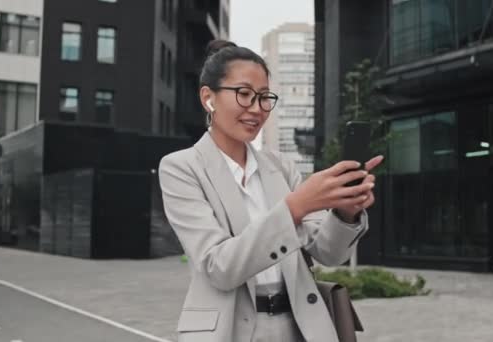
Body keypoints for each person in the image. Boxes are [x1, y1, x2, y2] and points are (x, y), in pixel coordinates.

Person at [159, 40, 383, 342]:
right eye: (244, 95)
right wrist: (295, 207)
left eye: (265, 97)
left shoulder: (281, 167)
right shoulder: (181, 168)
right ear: (208, 98)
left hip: (298, 326)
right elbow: (219, 267)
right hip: (228, 332)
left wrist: (346, 210)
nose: (257, 109)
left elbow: (329, 253)